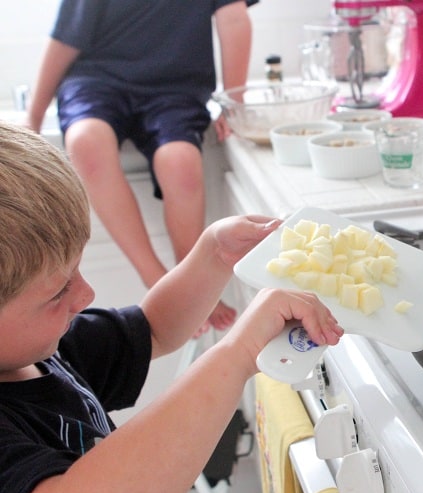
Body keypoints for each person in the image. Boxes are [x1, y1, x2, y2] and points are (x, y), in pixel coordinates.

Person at [0, 121, 344, 493]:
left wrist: (213, 254)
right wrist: (236, 354)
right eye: (57, 291)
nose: (85, 296)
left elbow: (154, 329)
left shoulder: (43, 351)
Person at [25, 0, 255, 334]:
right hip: (96, 79)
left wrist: (234, 100)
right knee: (86, 142)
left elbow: (234, 19)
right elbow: (65, 38)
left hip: (175, 86)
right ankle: (157, 278)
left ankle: (191, 280)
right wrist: (33, 117)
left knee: (180, 160)